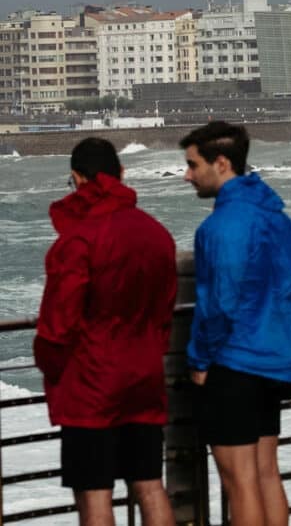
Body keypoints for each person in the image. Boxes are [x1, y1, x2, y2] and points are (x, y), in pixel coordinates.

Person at [34, 137, 177, 526]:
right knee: (149, 484)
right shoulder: (157, 234)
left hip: (91, 385)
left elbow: (57, 325)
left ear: (77, 179)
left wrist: (51, 367)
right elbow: (164, 310)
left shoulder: (78, 240)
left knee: (95, 492)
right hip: (143, 375)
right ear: (122, 173)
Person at [180, 121, 291, 525]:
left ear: (221, 163)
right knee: (264, 472)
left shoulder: (223, 226)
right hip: (281, 359)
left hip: (240, 361)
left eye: (192, 165)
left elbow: (221, 303)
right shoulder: (275, 216)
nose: (187, 175)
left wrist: (200, 360)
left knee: (239, 481)